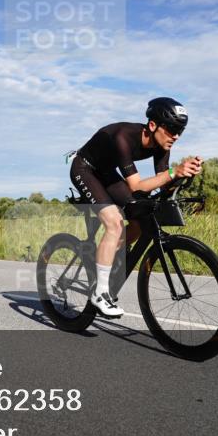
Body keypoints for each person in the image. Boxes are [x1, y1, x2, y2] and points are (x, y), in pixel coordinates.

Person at [69, 97, 202, 318]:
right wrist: (173, 173)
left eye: (180, 131)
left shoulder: (162, 145)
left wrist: (181, 177)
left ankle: (109, 256)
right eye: (172, 129)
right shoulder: (123, 137)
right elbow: (137, 185)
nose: (176, 136)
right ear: (152, 125)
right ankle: (99, 293)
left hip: (107, 173)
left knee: (140, 220)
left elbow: (161, 181)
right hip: (84, 168)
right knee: (114, 223)